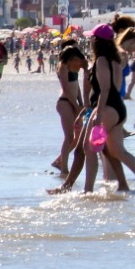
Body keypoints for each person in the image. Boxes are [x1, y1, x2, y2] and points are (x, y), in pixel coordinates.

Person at [84, 25, 135, 193]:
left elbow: (105, 89)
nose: (90, 40)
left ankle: (88, 190)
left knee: (89, 149)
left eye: (92, 37)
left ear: (98, 40)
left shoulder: (102, 59)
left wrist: (98, 113)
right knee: (118, 151)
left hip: (106, 107)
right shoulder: (116, 58)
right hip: (118, 107)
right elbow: (116, 87)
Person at [52, 45, 87, 173]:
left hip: (74, 103)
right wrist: (76, 106)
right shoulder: (63, 67)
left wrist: (81, 103)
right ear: (70, 58)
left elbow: (77, 87)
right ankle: (64, 169)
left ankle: (59, 160)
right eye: (76, 59)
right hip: (65, 102)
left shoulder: (74, 68)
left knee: (79, 136)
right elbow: (66, 89)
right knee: (69, 136)